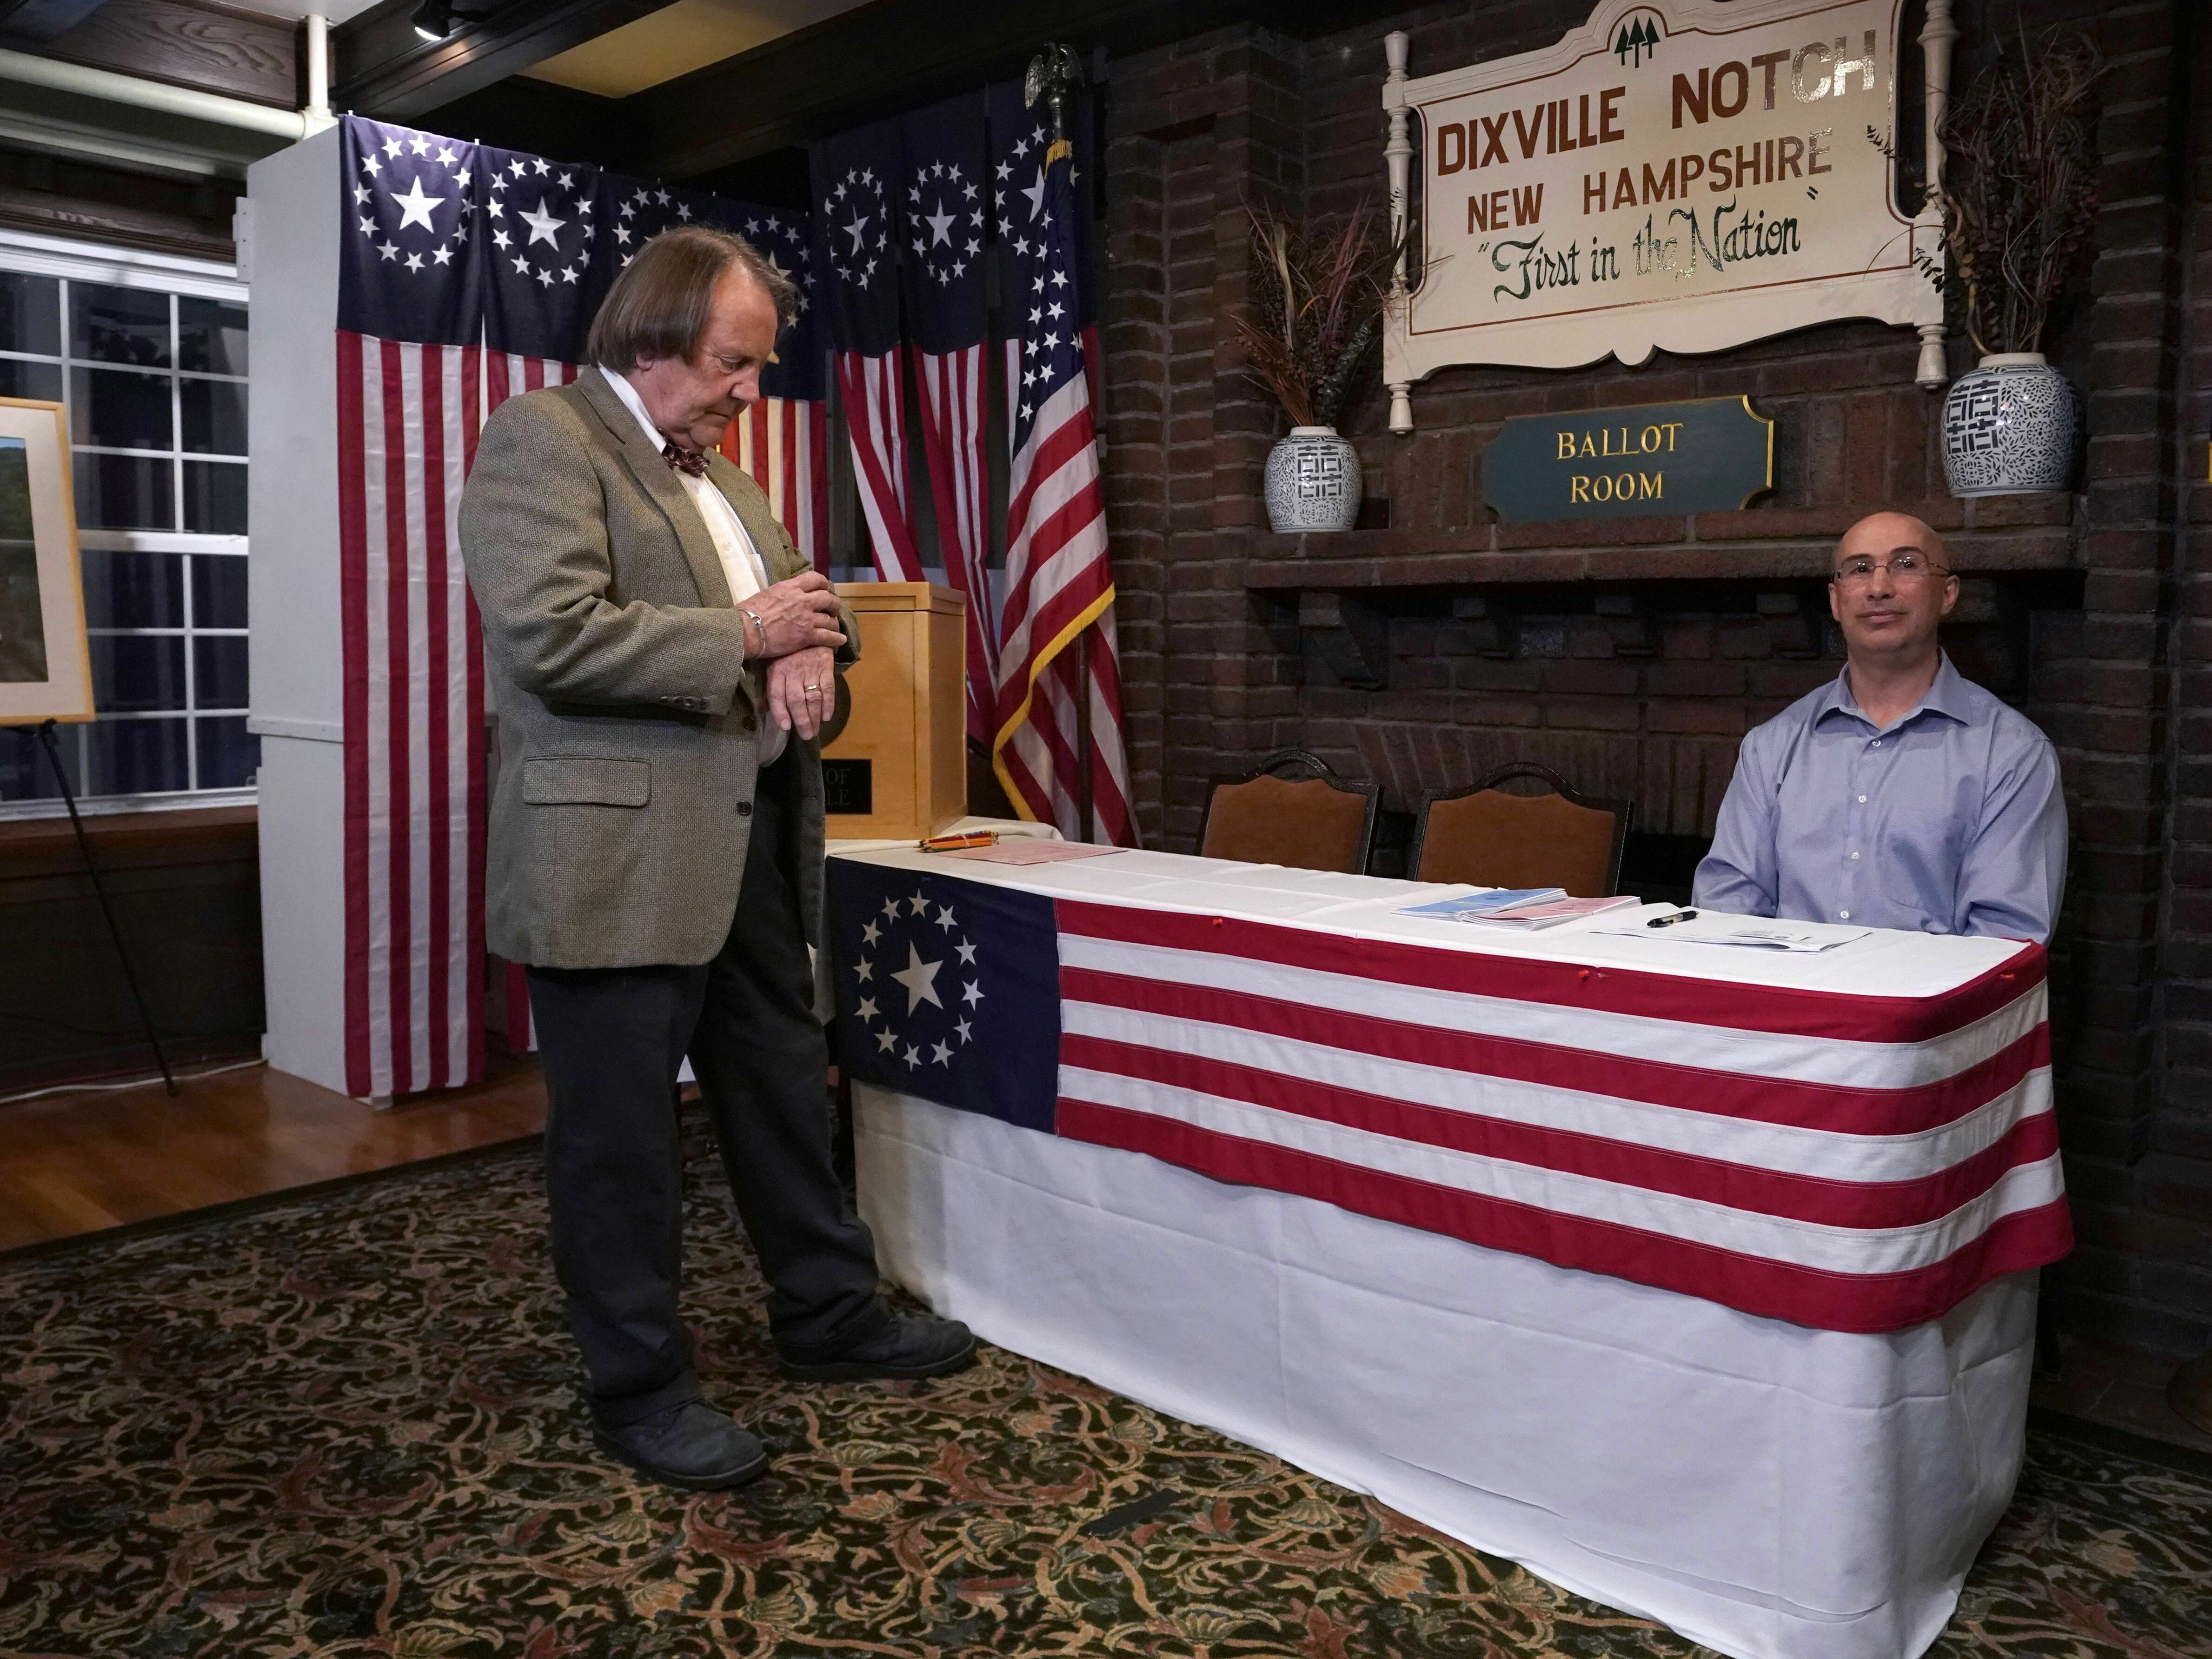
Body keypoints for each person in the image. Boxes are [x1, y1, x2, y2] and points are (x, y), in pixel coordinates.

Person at [459, 226, 973, 1492]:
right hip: (613, 858)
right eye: (735, 364)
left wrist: (810, 641)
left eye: (759, 366)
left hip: (747, 840)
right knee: (622, 1139)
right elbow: (549, 635)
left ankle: (827, 1311)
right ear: (654, 339)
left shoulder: (729, 478)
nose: (754, 391)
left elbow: (804, 608)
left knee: (785, 1087)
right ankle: (637, 1386)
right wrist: (752, 629)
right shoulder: (544, 437)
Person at [1693, 511, 2066, 942]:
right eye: (1860, 569)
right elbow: (1725, 907)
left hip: (1926, 1005)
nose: (1878, 588)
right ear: (1835, 600)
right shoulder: (1771, 746)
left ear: (1947, 594)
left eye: (1906, 565)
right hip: (1785, 997)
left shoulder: (2011, 753)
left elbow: (2004, 942)